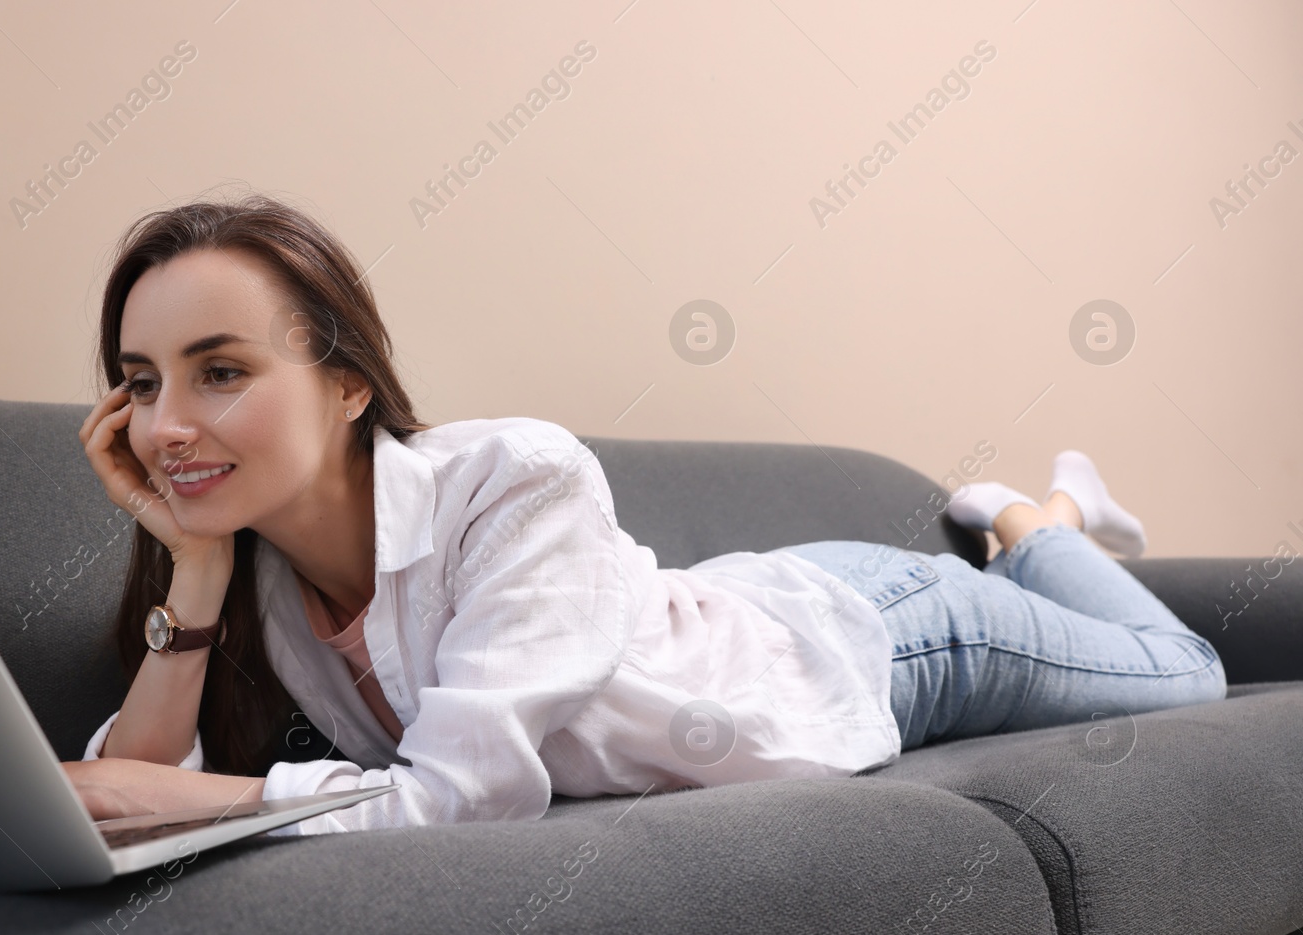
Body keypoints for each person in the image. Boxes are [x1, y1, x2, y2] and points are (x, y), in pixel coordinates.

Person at [61, 194, 1225, 834]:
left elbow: (461, 795)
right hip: (750, 594)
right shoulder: (254, 575)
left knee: (1188, 676)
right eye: (143, 378)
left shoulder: (516, 476)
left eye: (219, 370)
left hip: (890, 634)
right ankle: (1037, 520)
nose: (166, 423)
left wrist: (206, 795)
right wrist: (197, 570)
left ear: (347, 381)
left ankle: (1036, 520)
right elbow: (136, 792)